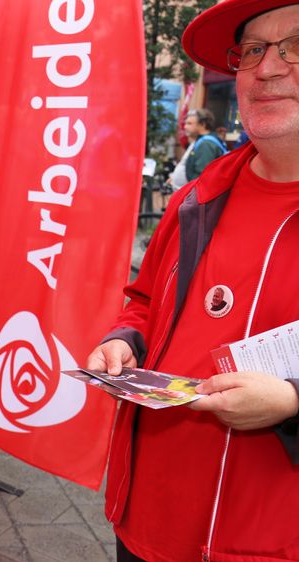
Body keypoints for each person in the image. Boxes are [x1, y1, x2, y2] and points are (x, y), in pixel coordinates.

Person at [86, 2, 299, 560]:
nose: (269, 68)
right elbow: (144, 300)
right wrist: (125, 340)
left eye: (297, 45)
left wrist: (294, 400)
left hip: (268, 542)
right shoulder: (197, 198)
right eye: (253, 50)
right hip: (144, 527)